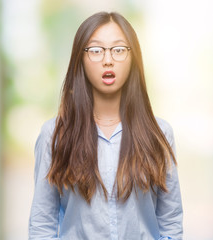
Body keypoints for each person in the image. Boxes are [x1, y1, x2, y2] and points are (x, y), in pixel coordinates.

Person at [28, 12, 183, 240]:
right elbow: (42, 224)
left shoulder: (159, 134)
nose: (108, 60)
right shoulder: (55, 134)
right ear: (80, 58)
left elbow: (170, 222)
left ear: (133, 58)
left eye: (119, 50)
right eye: (96, 50)